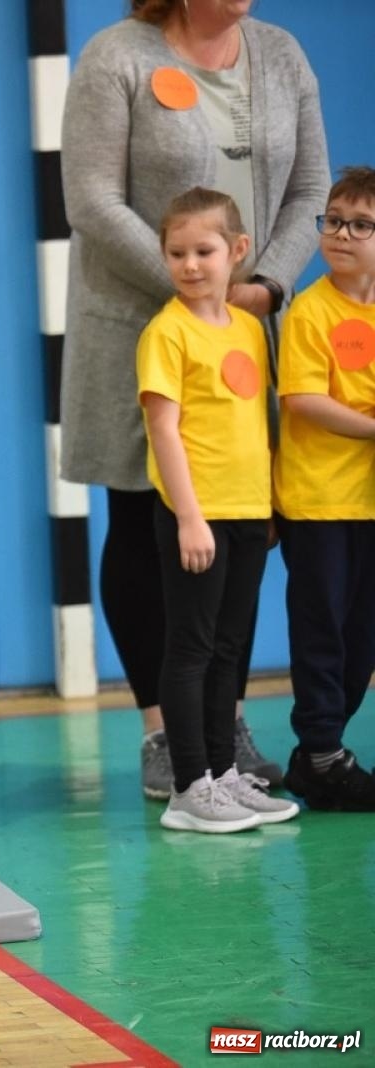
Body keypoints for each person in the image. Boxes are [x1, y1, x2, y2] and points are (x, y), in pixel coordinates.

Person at [60, 0, 329, 798]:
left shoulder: (282, 54)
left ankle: (222, 727)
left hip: (245, 325)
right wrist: (196, 286)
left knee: (239, 525)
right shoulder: (118, 56)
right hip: (138, 324)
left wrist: (264, 284)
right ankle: (161, 731)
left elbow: (310, 186)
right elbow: (92, 201)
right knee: (142, 524)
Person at [135, 187, 299, 833]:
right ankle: (188, 788)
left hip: (248, 512)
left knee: (230, 649)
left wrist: (268, 504)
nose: (190, 264)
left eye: (204, 251)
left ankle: (224, 774)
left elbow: (258, 423)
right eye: (177, 253)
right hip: (196, 517)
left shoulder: (251, 329)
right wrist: (188, 517)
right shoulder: (166, 333)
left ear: (237, 251)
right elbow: (164, 431)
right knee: (192, 649)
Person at [275, 167, 375, 811]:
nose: (341, 234)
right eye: (333, 220)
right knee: (322, 631)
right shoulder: (311, 310)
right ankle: (321, 752)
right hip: (319, 503)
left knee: (361, 637)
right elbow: (304, 399)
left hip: (368, 503)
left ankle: (320, 754)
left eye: (361, 225)